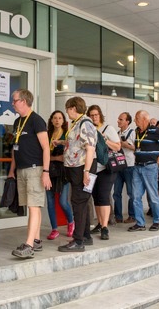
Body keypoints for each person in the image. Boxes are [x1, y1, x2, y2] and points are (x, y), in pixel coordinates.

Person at [8, 89, 52, 259]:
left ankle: (29, 245)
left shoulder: (36, 120)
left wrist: (45, 172)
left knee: (34, 206)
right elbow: (15, 148)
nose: (12, 103)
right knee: (32, 206)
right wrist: (12, 170)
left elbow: (46, 148)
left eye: (15, 100)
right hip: (21, 169)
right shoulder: (17, 122)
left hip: (35, 169)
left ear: (24, 101)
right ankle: (37, 239)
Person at [58, 97, 97, 252]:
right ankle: (86, 236)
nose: (67, 112)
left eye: (67, 109)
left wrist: (86, 172)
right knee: (83, 202)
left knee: (78, 203)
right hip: (79, 168)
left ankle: (78, 241)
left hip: (83, 169)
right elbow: (77, 144)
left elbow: (90, 149)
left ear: (73, 108)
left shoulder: (85, 123)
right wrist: (61, 143)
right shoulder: (79, 123)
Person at [128, 110, 159, 232]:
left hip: (150, 167)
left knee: (153, 195)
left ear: (144, 119)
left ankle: (157, 221)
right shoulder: (137, 131)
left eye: (137, 118)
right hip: (137, 167)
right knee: (135, 196)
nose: (135, 120)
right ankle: (140, 223)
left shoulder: (155, 131)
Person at [86, 105, 121, 240]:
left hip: (107, 168)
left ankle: (105, 227)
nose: (94, 117)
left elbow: (118, 147)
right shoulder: (88, 129)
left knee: (104, 195)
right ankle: (100, 223)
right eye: (92, 115)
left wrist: (104, 139)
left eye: (96, 115)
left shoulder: (108, 129)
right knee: (95, 196)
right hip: (93, 168)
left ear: (100, 115)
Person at [45, 110, 74, 240]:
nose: (57, 120)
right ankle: (54, 229)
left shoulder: (67, 134)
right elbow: (44, 155)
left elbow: (66, 157)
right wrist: (55, 158)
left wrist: (52, 158)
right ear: (51, 120)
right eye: (55, 118)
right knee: (50, 201)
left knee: (63, 201)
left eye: (60, 118)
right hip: (49, 171)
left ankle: (71, 221)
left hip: (63, 172)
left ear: (63, 121)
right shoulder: (47, 134)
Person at [113, 112, 136, 224]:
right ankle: (118, 216)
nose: (118, 121)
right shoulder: (117, 133)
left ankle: (132, 215)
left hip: (130, 165)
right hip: (119, 165)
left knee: (131, 193)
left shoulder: (132, 133)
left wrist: (127, 145)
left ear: (127, 121)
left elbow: (137, 148)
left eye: (121, 119)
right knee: (116, 192)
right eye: (118, 119)